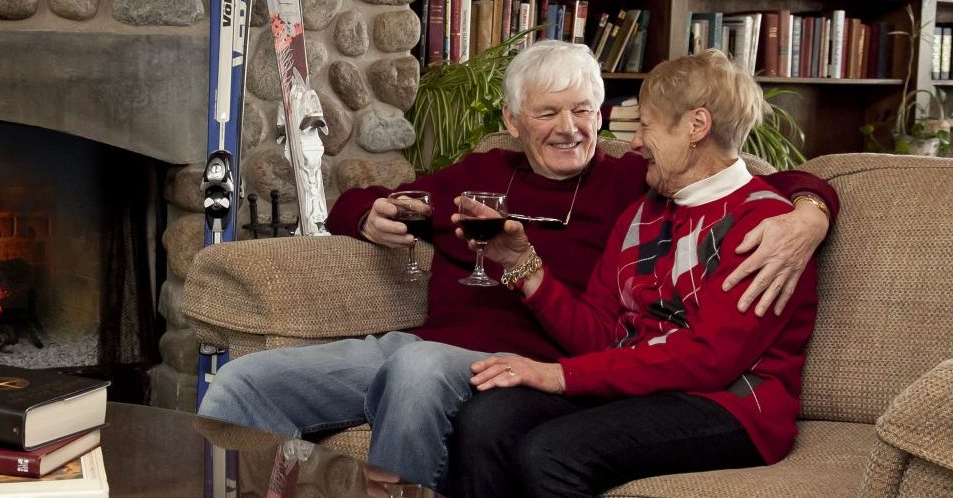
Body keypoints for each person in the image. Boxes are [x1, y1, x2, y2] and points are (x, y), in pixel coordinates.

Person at [196, 41, 838, 490]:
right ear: (511, 119)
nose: (572, 129)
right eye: (548, 112)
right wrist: (366, 215)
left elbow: (750, 175)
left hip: (506, 362)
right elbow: (377, 200)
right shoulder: (480, 177)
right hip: (423, 345)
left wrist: (811, 211)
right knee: (244, 381)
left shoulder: (631, 186)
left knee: (422, 371)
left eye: (584, 111)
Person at [441, 48, 819, 497]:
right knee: (487, 421)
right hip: (642, 393)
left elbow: (708, 361)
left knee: (551, 452)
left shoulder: (768, 231)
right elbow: (601, 335)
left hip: (730, 407)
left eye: (645, 125)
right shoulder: (643, 214)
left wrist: (561, 375)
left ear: (696, 126)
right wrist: (524, 269)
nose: (635, 142)